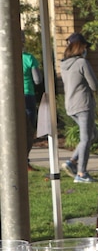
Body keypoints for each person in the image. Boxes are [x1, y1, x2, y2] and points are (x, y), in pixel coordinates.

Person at [60, 32, 98, 183]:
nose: (85, 49)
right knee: (85, 139)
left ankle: (72, 162)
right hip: (83, 104)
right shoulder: (82, 63)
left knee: (91, 135)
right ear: (79, 47)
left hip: (70, 105)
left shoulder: (64, 64)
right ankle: (81, 173)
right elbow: (94, 85)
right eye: (84, 46)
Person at [22, 36, 44, 171]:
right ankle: (25, 160)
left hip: (7, 98)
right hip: (27, 96)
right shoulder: (29, 59)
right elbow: (37, 80)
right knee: (28, 130)